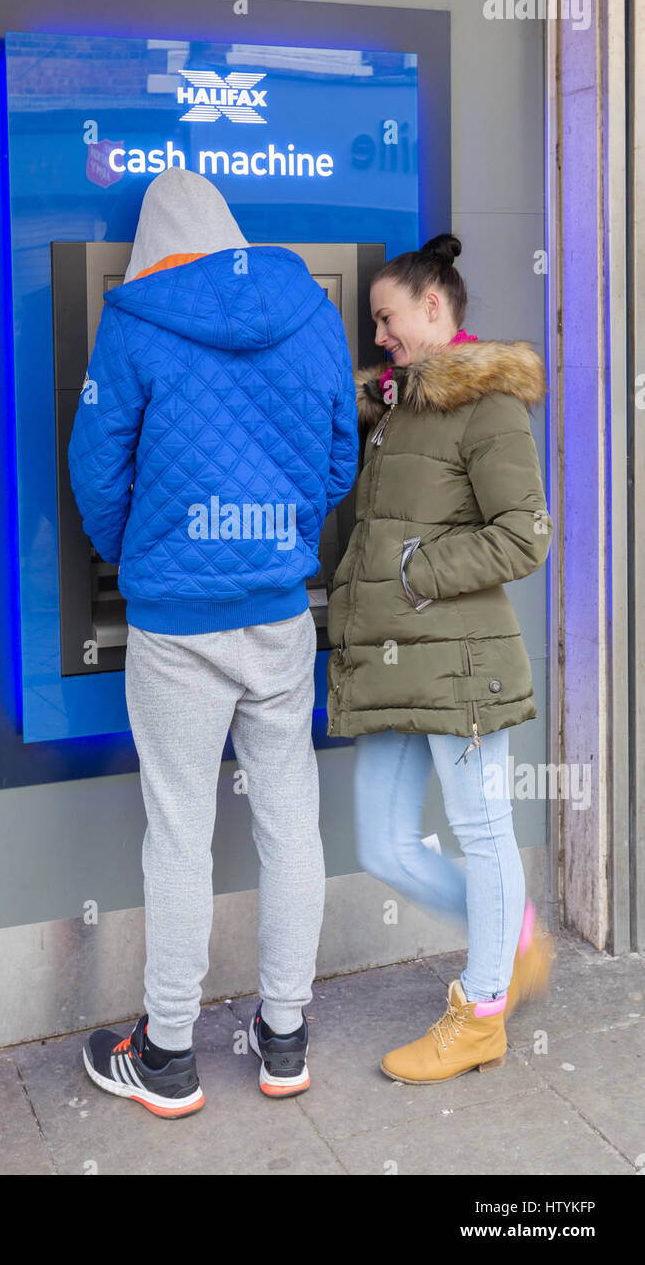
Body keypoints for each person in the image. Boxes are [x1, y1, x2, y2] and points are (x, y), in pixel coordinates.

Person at [68, 167, 359, 1117]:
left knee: (179, 833)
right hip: (278, 612)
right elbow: (336, 455)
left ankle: (167, 1055)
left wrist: (138, 555)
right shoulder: (310, 310)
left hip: (172, 629)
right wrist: (275, 540)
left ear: (154, 246)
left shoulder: (133, 319)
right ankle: (283, 1041)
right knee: (289, 825)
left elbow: (96, 467)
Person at [327, 233, 555, 1085]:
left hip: (460, 663)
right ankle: (514, 937)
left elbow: (522, 534)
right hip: (394, 663)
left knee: (482, 829)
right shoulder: (391, 407)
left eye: (385, 318)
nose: (377, 334)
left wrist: (418, 574)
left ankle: (482, 1013)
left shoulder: (486, 403)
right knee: (383, 845)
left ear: (432, 307)